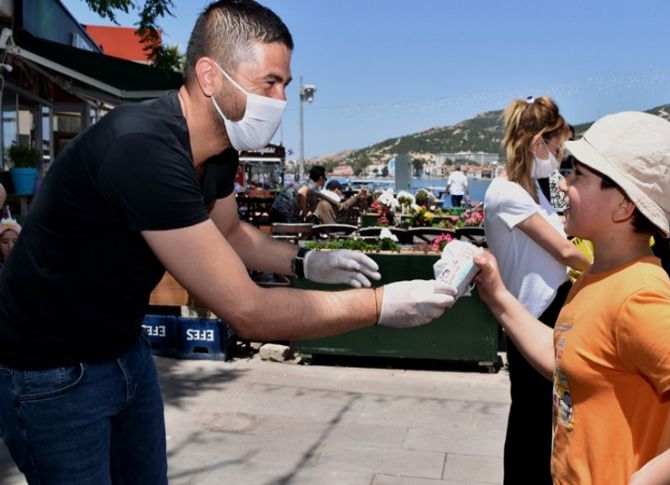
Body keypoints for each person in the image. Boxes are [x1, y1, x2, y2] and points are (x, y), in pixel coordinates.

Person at [0, 2, 457, 483]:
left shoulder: (217, 151)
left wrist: (307, 260)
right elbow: (248, 310)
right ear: (210, 75)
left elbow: (233, 234)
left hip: (122, 346)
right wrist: (379, 305)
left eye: (285, 84)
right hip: (49, 369)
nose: (281, 99)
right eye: (269, 83)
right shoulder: (143, 150)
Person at [474, 111, 670, 483]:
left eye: (578, 175)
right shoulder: (596, 278)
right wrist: (498, 295)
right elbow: (564, 358)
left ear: (624, 206)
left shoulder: (638, 296)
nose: (564, 186)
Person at [483, 96, 591, 485]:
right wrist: (609, 269)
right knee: (529, 415)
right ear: (537, 142)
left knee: (543, 413)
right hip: (531, 312)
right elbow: (562, 248)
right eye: (557, 146)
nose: (558, 155)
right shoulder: (507, 193)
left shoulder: (534, 189)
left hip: (552, 305)